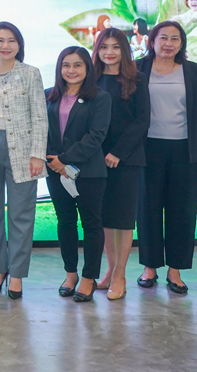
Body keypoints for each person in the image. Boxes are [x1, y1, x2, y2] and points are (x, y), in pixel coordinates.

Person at [0, 22, 47, 300]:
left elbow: (40, 115)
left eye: (11, 40)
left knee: (21, 215)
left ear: (19, 45)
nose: (5, 45)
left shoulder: (30, 74)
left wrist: (37, 154)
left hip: (23, 149)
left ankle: (16, 274)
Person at [45, 46, 111, 303]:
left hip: (89, 172)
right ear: (59, 68)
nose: (71, 70)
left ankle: (88, 278)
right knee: (65, 223)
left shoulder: (100, 97)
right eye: (66, 65)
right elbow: (41, 131)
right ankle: (70, 273)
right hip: (55, 171)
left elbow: (96, 136)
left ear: (88, 68)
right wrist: (55, 161)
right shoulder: (48, 96)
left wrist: (65, 159)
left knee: (92, 225)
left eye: (77, 65)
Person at [136, 21, 197, 294]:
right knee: (147, 208)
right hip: (147, 149)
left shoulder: (193, 71)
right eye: (163, 38)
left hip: (185, 150)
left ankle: (175, 269)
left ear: (181, 44)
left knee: (182, 211)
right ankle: (150, 267)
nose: (168, 43)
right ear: (152, 41)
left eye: (175, 38)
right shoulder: (137, 69)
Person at [92, 28, 149, 300]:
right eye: (104, 47)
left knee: (124, 220)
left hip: (126, 159)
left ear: (124, 50)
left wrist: (118, 152)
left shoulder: (137, 78)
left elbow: (142, 121)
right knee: (104, 219)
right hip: (95, 159)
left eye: (115, 47)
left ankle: (120, 275)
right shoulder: (89, 79)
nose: (109, 52)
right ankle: (109, 271)